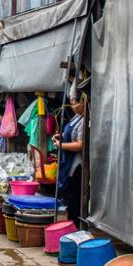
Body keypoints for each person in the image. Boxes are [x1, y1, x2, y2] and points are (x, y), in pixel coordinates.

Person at [52, 91, 86, 222]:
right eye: (71, 103)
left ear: (83, 102)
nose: (73, 106)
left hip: (77, 165)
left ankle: (75, 225)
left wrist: (61, 145)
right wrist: (61, 136)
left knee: (74, 198)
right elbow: (70, 134)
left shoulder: (84, 121)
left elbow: (80, 144)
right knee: (69, 196)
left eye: (75, 103)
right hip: (68, 162)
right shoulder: (76, 117)